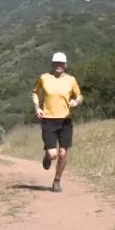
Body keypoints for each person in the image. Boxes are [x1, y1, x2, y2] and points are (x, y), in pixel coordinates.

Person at [32, 52, 83, 192]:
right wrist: (37, 107)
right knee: (53, 154)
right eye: (56, 63)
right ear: (52, 64)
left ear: (65, 65)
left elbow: (79, 96)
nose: (58, 65)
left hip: (65, 120)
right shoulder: (44, 78)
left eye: (61, 63)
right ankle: (47, 156)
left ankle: (57, 180)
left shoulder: (71, 80)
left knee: (62, 153)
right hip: (48, 119)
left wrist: (75, 101)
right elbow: (35, 92)